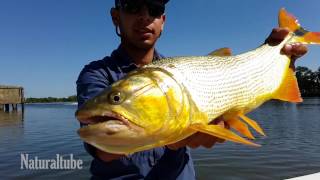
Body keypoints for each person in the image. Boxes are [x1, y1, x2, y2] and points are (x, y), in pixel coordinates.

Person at [76, 0, 308, 179]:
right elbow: (102, 148)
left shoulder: (180, 69)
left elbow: (245, 75)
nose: (145, 16)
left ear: (163, 20)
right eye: (133, 6)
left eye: (155, 8)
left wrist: (278, 55)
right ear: (116, 17)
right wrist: (176, 138)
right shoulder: (96, 73)